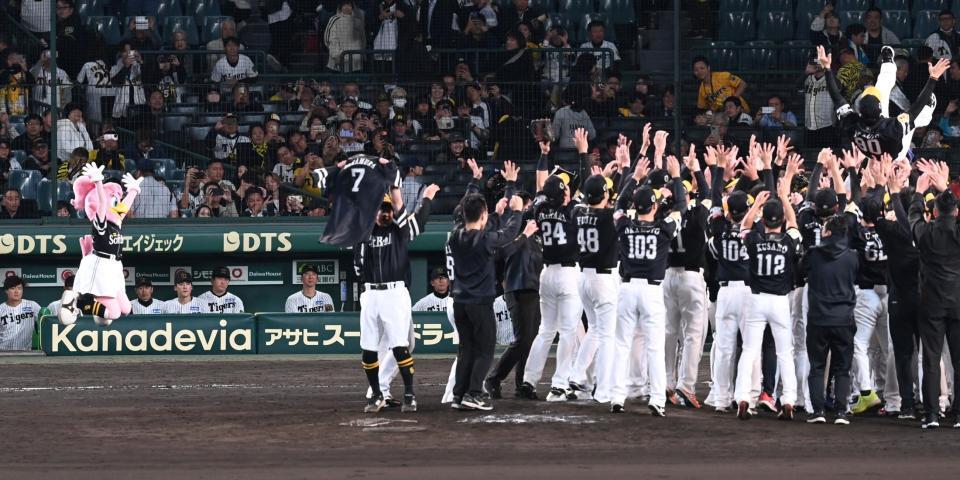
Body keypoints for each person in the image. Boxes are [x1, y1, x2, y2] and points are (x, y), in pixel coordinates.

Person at [610, 155, 685, 417]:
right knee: (654, 346)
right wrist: (676, 177)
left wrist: (634, 178)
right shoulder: (663, 229)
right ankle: (657, 400)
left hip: (628, 289)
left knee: (622, 344)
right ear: (654, 206)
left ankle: (617, 397)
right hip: (652, 291)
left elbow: (618, 205)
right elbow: (682, 207)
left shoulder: (625, 226)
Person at [355, 182, 440, 413]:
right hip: (371, 292)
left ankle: (408, 394)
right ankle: (377, 393)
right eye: (380, 209)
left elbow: (415, 217)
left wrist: (426, 198)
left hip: (394, 292)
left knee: (401, 345)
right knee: (370, 346)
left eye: (388, 209)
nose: (385, 212)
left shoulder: (398, 230)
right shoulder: (363, 233)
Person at [447, 174, 527, 411]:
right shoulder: (484, 240)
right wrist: (517, 212)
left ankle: (458, 395)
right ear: (482, 215)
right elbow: (508, 235)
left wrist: (496, 212)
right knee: (484, 350)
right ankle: (473, 393)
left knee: (466, 350)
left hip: (459, 302)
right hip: (479, 303)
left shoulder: (455, 236)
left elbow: (480, 225)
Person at [734, 163, 802, 422]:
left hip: (756, 300)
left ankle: (742, 397)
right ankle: (789, 401)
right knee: (784, 353)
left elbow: (744, 228)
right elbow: (794, 223)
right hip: (780, 303)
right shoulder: (788, 241)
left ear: (764, 220)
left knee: (750, 351)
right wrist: (784, 197)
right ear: (781, 220)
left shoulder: (755, 240)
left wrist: (755, 206)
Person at [904, 160, 960, 429]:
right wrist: (945, 187)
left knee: (931, 359)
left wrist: (918, 190)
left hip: (931, 303)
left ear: (934, 212)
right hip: (958, 301)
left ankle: (932, 415)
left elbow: (913, 218)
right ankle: (959, 415)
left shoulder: (926, 232)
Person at [819, 45, 948, 159]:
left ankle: (887, 62)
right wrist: (933, 78)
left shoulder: (852, 122)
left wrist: (827, 68)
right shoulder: (893, 128)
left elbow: (837, 97)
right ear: (880, 109)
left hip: (871, 153)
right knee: (918, 118)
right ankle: (928, 109)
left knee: (881, 88)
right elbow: (916, 109)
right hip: (896, 155)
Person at [803, 214, 859, 425]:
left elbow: (801, 271)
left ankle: (818, 411)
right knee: (842, 368)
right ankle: (841, 412)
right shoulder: (852, 256)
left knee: (817, 366)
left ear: (827, 232)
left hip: (818, 318)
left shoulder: (813, 254)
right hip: (844, 319)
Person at [802, 56, 838, 149]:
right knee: (810, 156)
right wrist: (806, 72)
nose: (817, 65)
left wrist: (827, 68)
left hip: (827, 126)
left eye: (819, 62)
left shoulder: (830, 78)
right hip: (809, 126)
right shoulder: (808, 79)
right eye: (815, 63)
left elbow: (839, 87)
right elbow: (795, 89)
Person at [0, 275, 41, 351]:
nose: (16, 291)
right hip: (3, 352)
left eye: (19, 288)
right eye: (12, 288)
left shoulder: (32, 305)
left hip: (25, 352)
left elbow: (46, 321)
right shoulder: (1, 309)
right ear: (6, 290)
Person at [324, 0, 366, 73]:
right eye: (344, 5)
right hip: (338, 62)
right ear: (340, 7)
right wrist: (337, 55)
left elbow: (363, 39)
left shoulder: (358, 21)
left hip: (356, 62)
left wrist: (360, 55)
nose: (347, 7)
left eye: (349, 5)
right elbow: (328, 39)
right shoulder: (334, 19)